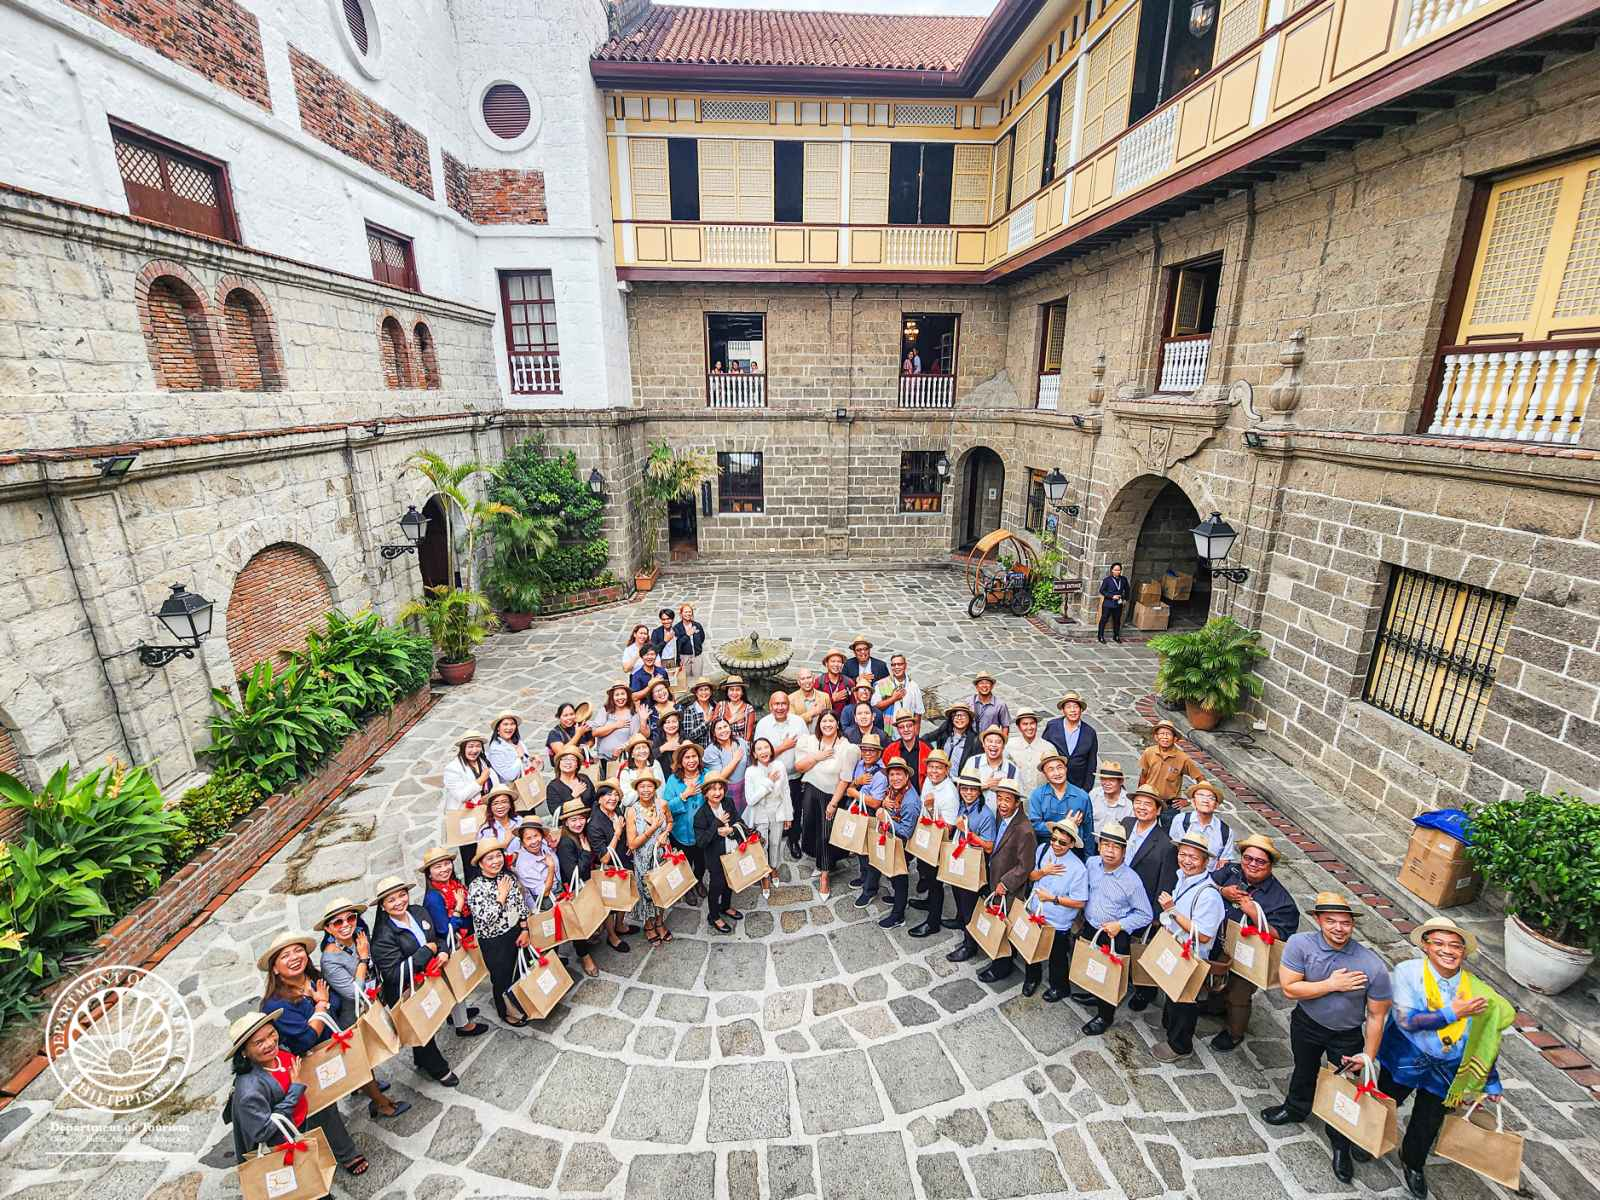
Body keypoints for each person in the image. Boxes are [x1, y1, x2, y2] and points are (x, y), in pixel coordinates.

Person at [1376, 916, 1514, 1199]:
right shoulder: (1407, 972)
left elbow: (1486, 1038)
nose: (1447, 950)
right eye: (1438, 943)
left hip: (1447, 1070)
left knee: (1428, 1121)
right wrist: (1453, 1013)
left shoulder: (1478, 991)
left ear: (1464, 952)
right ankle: (1371, 1137)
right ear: (1425, 946)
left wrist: (1490, 1082)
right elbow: (1406, 1021)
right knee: (1384, 1101)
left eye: (1455, 946)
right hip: (1405, 1057)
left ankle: (1413, 1162)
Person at [1262, 892, 1394, 1186]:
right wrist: (1332, 984)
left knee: (1345, 1089)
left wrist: (1368, 1056)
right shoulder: (1299, 945)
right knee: (1304, 1069)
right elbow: (1290, 989)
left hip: (1346, 1037)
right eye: (1331, 921)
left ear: (1353, 925)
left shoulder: (1371, 964)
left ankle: (1340, 1142)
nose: (1338, 928)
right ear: (1319, 920)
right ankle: (1296, 1108)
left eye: (1345, 922)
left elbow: (1376, 1016)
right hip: (1306, 1024)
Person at [262, 927, 402, 1122]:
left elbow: (337, 1003)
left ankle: (370, 1093)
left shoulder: (315, 977)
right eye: (285, 955)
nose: (294, 957)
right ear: (275, 968)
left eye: (298, 950)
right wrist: (321, 1004)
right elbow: (306, 1040)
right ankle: (379, 1102)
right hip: (316, 1057)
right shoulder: (275, 1004)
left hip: (337, 1039)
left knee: (358, 1060)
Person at [224, 1010, 369, 1179]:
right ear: (244, 1052)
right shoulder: (248, 1091)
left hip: (304, 1116)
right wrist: (295, 1090)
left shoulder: (280, 1051)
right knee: (306, 1183)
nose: (270, 1043)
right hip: (286, 1137)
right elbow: (262, 1132)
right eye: (259, 1042)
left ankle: (345, 1154)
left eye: (272, 1033)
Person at [1207, 833, 1298, 1051]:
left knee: (1238, 994)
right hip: (1221, 941)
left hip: (1249, 953)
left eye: (1260, 861)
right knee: (1216, 978)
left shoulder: (1282, 900)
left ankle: (1234, 1032)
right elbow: (1207, 881)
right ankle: (1215, 1006)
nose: (1252, 864)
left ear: (1270, 865)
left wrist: (1255, 914)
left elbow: (1281, 936)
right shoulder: (1232, 871)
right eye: (1248, 858)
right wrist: (1222, 891)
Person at [367, 877, 459, 1086]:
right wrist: (427, 951)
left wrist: (442, 951)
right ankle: (439, 1069)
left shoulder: (418, 912)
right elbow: (393, 975)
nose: (399, 902)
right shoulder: (382, 937)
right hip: (406, 990)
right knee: (422, 1026)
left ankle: (420, 1058)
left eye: (402, 895)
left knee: (431, 1021)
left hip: (428, 980)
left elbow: (437, 938)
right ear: (383, 906)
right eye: (391, 900)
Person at [1150, 829, 1227, 1063]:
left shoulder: (1209, 895)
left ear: (1206, 862)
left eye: (1193, 857)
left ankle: (1180, 1045)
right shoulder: (1184, 878)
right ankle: (1170, 1027)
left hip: (1192, 955)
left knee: (1185, 1001)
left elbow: (1203, 935)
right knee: (1173, 994)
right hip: (1177, 946)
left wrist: (1171, 910)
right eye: (1183, 854)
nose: (1186, 860)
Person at [1080, 821, 1154, 1031]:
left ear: (1124, 851)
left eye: (1116, 847)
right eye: (1106, 845)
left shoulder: (1132, 880)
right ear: (1099, 845)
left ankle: (1105, 1016)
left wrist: (1120, 925)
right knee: (1092, 967)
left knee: (1110, 977)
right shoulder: (1092, 863)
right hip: (1091, 927)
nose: (1110, 851)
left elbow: (1145, 914)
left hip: (1113, 935)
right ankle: (1094, 995)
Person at [417, 849, 489, 1038]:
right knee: (455, 979)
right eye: (437, 866)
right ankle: (462, 1024)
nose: (444, 869)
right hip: (450, 944)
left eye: (446, 864)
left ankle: (456, 1014)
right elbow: (443, 929)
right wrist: (458, 906)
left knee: (461, 978)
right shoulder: (433, 897)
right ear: (429, 872)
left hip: (462, 939)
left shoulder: (453, 884)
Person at [974, 778, 1036, 984]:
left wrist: (1006, 883)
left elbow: (1025, 866)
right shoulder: (1002, 818)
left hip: (1009, 888)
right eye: (999, 798)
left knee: (1004, 925)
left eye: (1007, 800)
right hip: (995, 878)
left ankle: (1002, 967)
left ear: (1017, 802)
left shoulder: (1025, 830)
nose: (1002, 803)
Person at [465, 837, 531, 1026]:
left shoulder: (507, 877)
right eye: (490, 859)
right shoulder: (476, 887)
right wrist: (501, 896)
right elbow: (486, 917)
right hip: (495, 940)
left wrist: (525, 928)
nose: (496, 861)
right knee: (502, 976)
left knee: (519, 969)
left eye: (498, 856)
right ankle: (507, 1012)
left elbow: (520, 905)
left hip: (515, 931)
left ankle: (523, 1002)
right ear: (481, 864)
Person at [1124, 786, 1178, 1013]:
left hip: (1143, 903)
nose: (1142, 808)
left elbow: (1166, 881)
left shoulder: (1165, 844)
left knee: (1143, 948)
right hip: (1119, 897)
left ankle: (1145, 990)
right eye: (1139, 802)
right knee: (1121, 945)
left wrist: (1157, 915)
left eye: (1148, 804)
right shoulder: (1125, 824)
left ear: (1158, 810)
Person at [1023, 816, 1088, 999]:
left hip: (1057, 921)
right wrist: (1044, 871)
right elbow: (1031, 876)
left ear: (1071, 844)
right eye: (1053, 839)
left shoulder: (1078, 869)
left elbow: (1080, 902)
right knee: (1031, 948)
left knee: (1057, 957)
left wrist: (1053, 898)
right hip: (1035, 911)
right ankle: (1031, 979)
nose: (1056, 844)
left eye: (1062, 842)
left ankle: (1059, 987)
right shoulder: (1043, 850)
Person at [945, 764, 999, 963]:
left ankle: (970, 945)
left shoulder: (985, 814)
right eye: (964, 788)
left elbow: (989, 846)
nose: (968, 792)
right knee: (958, 895)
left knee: (969, 905)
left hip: (973, 865)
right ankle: (961, 922)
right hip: (958, 859)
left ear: (979, 791)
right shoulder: (961, 806)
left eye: (972, 789)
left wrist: (968, 832)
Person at [801, 709, 858, 898]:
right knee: (810, 829)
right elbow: (800, 766)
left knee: (826, 834)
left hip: (831, 795)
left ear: (837, 724)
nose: (827, 724)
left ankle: (825, 876)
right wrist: (818, 757)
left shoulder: (846, 748)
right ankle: (822, 862)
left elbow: (845, 778)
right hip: (811, 791)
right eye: (823, 721)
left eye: (831, 721)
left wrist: (834, 803)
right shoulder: (811, 741)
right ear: (819, 724)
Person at [858, 758, 919, 930]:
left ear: (907, 776)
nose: (895, 778)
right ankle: (897, 899)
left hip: (902, 845)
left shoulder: (910, 802)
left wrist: (885, 818)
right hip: (890, 839)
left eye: (899, 774)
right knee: (886, 870)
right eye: (892, 774)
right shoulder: (894, 791)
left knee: (899, 877)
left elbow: (907, 831)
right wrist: (884, 805)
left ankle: (898, 915)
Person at [908, 748, 959, 938]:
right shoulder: (929, 781)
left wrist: (930, 810)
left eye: (938, 768)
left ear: (946, 770)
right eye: (931, 767)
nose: (934, 771)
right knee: (927, 876)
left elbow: (948, 829)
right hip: (925, 836)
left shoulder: (949, 793)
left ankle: (933, 922)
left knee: (936, 882)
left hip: (938, 843)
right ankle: (929, 901)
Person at [553, 799, 605, 977]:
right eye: (573, 820)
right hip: (574, 889)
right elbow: (573, 872)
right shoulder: (567, 843)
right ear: (565, 822)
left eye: (581, 818)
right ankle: (584, 956)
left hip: (585, 884)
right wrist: (586, 852)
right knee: (577, 924)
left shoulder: (582, 835)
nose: (578, 823)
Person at [755, 690, 809, 859]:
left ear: (788, 705)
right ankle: (772, 840)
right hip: (771, 778)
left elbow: (807, 747)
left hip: (794, 777)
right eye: (776, 704)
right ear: (770, 706)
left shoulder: (798, 722)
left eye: (783, 703)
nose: (780, 707)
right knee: (771, 809)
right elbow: (760, 754)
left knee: (794, 809)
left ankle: (794, 840)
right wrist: (784, 746)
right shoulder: (763, 724)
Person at [587, 782, 636, 954]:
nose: (613, 798)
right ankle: (612, 936)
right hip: (608, 869)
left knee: (625, 895)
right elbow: (604, 857)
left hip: (625, 860)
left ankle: (620, 925)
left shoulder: (618, 811)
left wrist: (629, 841)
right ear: (599, 799)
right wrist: (617, 833)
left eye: (616, 794)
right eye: (608, 794)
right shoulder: (594, 824)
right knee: (609, 903)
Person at [693, 777, 744, 934]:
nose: (717, 792)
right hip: (715, 859)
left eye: (720, 788)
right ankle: (714, 915)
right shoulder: (701, 814)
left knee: (730, 883)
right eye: (712, 789)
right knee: (716, 886)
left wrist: (732, 830)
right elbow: (701, 842)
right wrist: (717, 823)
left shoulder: (728, 803)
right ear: (706, 792)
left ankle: (726, 907)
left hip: (732, 852)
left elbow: (739, 821)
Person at [628, 774, 674, 943]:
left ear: (655, 788)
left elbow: (670, 822)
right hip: (642, 860)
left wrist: (665, 832)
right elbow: (632, 844)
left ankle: (660, 922)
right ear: (637, 789)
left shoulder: (662, 804)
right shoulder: (632, 811)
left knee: (661, 889)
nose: (646, 790)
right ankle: (648, 925)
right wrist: (652, 829)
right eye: (642, 786)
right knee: (646, 893)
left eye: (650, 786)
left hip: (661, 856)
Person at [841, 732, 888, 893]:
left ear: (879, 753)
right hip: (858, 811)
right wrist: (856, 782)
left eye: (872, 750)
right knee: (860, 847)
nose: (867, 753)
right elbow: (849, 787)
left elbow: (875, 802)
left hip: (871, 814)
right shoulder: (860, 765)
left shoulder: (881, 774)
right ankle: (863, 876)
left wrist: (855, 793)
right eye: (865, 749)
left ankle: (870, 888)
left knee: (870, 852)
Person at [663, 743, 709, 906]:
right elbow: (666, 806)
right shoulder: (673, 780)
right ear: (681, 761)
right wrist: (684, 795)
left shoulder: (706, 775)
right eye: (687, 757)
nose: (691, 760)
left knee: (701, 861)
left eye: (694, 756)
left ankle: (698, 881)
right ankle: (688, 887)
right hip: (681, 831)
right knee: (684, 862)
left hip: (703, 831)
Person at [742, 737, 787, 896]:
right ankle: (764, 874)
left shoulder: (780, 766)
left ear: (771, 749)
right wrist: (768, 782)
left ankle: (773, 867)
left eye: (766, 747)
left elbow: (785, 791)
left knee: (776, 842)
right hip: (759, 814)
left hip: (777, 811)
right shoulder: (750, 771)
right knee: (763, 845)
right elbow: (751, 799)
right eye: (759, 749)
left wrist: (788, 814)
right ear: (754, 753)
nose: (763, 751)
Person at [1027, 751, 1093, 852]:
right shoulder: (1037, 796)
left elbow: (1088, 832)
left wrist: (1089, 859)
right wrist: (1064, 825)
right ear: (1044, 774)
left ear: (1066, 769)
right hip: (1046, 849)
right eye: (1051, 769)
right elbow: (1035, 826)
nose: (1057, 773)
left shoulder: (1082, 796)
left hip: (1075, 851)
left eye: (1060, 767)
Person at [1170, 780, 1236, 869]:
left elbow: (1224, 862)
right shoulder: (1180, 820)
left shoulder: (1226, 831)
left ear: (1216, 805)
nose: (1205, 800)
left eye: (1211, 798)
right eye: (1201, 795)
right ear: (1193, 802)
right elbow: (1173, 849)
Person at [1042, 692, 1099, 792]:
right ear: (1063, 710)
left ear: (1081, 710)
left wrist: (1086, 789)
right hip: (1053, 783)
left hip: (1077, 785)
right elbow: (1043, 751)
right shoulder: (1052, 726)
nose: (1072, 710)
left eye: (1075, 707)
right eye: (1068, 707)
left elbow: (1092, 763)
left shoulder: (1090, 733)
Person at [1138, 719, 1204, 804]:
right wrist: (1139, 795)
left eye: (1168, 734)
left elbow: (1201, 780)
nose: (1165, 737)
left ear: (1175, 739)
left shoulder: (1183, 758)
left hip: (1170, 805)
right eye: (1161, 734)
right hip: (1150, 801)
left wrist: (1190, 801)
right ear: (1156, 737)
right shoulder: (1149, 752)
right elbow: (1143, 775)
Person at [508, 822, 558, 915]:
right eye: (528, 838)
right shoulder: (523, 865)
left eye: (536, 835)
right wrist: (551, 867)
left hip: (559, 890)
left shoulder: (544, 847)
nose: (534, 841)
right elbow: (544, 893)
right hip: (548, 902)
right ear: (522, 842)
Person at [592, 683, 641, 767]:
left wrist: (622, 748)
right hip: (603, 757)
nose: (620, 697)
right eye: (617, 695)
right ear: (612, 697)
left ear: (627, 695)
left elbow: (634, 737)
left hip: (622, 758)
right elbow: (595, 732)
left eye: (623, 694)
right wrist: (615, 725)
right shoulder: (605, 710)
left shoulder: (633, 714)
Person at [973, 724, 1016, 817]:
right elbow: (962, 789)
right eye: (989, 741)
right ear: (983, 744)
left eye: (998, 742)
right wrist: (985, 785)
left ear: (1003, 746)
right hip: (975, 817)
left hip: (1001, 819)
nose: (993, 745)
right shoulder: (973, 762)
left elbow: (1017, 798)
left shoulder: (1012, 769)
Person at [881, 710, 932, 788]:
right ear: (897, 730)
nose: (906, 730)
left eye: (909, 726)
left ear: (915, 726)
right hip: (897, 796)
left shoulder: (927, 749)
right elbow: (884, 776)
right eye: (901, 727)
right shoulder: (890, 750)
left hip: (922, 796)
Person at [1088, 761, 1133, 847]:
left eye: (1112, 780)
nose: (1107, 783)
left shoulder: (1129, 803)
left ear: (1121, 782)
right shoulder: (1094, 794)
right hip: (1093, 844)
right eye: (1103, 779)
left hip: (1116, 847)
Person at [545, 744, 596, 819]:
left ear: (577, 765)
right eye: (564, 759)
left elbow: (594, 801)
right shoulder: (553, 786)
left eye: (572, 759)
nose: (568, 762)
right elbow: (555, 812)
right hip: (566, 825)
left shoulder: (584, 779)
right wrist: (573, 796)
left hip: (589, 821)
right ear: (559, 763)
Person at [1005, 710, 1048, 798]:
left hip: (1041, 797)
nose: (1029, 727)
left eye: (1032, 723)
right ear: (1019, 727)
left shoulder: (1048, 747)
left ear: (1036, 724)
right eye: (1025, 724)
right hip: (1017, 797)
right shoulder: (1009, 746)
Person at [927, 702, 978, 775]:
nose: (959, 718)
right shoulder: (944, 734)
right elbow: (925, 739)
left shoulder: (974, 740)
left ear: (969, 718)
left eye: (963, 715)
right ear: (951, 718)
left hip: (960, 782)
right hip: (941, 780)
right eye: (956, 715)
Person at [872, 653, 924, 725]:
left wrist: (916, 734)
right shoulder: (880, 684)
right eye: (893, 665)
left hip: (907, 729)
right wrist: (893, 699)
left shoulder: (913, 686)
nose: (896, 667)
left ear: (905, 665)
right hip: (887, 729)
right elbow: (875, 707)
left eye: (900, 664)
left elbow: (918, 713)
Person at [485, 712, 535, 785]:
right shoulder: (495, 749)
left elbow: (527, 762)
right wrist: (520, 757)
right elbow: (509, 776)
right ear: (498, 728)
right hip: (511, 789)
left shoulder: (518, 741)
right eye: (505, 724)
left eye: (512, 724)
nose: (509, 727)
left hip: (527, 783)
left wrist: (533, 760)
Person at [443, 732, 492, 805]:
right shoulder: (452, 769)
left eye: (478, 746)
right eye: (470, 746)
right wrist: (481, 779)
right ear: (463, 748)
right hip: (466, 812)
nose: (475, 750)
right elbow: (461, 796)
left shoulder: (484, 760)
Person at [618, 733, 666, 807]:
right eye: (638, 748)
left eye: (644, 747)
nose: (642, 751)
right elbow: (626, 801)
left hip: (655, 806)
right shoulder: (626, 772)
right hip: (633, 809)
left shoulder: (655, 764)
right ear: (632, 754)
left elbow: (662, 790)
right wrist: (641, 785)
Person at [715, 675, 758, 744]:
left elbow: (747, 737)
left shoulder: (748, 709)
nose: (734, 693)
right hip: (720, 744)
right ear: (727, 692)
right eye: (731, 690)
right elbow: (713, 728)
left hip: (740, 746)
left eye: (738, 689)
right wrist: (731, 721)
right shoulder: (720, 705)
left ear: (742, 692)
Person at [679, 676, 719, 747]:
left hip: (716, 749)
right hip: (700, 750)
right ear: (696, 693)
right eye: (701, 690)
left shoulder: (716, 706)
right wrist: (706, 722)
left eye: (706, 689)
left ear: (710, 692)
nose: (704, 692)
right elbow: (689, 736)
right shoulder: (690, 710)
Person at [969, 671, 1010, 737]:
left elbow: (1005, 726)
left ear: (992, 686)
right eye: (981, 683)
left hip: (990, 742)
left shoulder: (1000, 705)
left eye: (987, 683)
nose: (984, 686)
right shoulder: (969, 702)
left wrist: (1002, 742)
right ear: (976, 686)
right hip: (971, 741)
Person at [1098, 562, 1131, 643]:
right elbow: (1102, 591)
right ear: (1112, 570)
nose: (1118, 572)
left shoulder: (1123, 579)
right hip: (1108, 604)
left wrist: (1125, 599)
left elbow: (1127, 590)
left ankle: (1116, 636)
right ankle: (1100, 636)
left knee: (1117, 620)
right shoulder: (1107, 580)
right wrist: (1111, 596)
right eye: (1116, 570)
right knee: (1104, 619)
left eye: (1119, 570)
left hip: (1118, 604)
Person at [673, 604, 706, 679]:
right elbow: (677, 644)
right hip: (684, 657)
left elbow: (702, 637)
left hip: (697, 656)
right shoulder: (677, 628)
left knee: (698, 679)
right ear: (681, 614)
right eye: (685, 612)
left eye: (689, 612)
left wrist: (698, 647)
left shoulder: (697, 625)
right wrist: (687, 635)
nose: (688, 614)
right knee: (686, 679)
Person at [818, 650, 853, 718]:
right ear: (826, 663)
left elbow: (853, 705)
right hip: (825, 722)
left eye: (839, 662)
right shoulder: (819, 682)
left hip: (843, 723)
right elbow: (815, 706)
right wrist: (832, 700)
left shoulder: (848, 682)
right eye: (833, 661)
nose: (836, 664)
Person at [649, 607, 680, 677]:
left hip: (672, 660)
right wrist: (665, 641)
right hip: (660, 661)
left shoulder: (676, 630)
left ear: (672, 619)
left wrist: (678, 662)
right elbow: (653, 650)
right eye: (663, 619)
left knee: (672, 682)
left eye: (668, 619)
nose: (666, 621)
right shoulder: (656, 632)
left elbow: (679, 647)